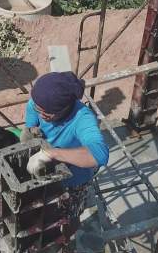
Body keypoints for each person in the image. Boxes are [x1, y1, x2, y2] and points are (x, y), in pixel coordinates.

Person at [24, 71, 109, 238]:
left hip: (74, 179)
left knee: (71, 214)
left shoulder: (82, 118)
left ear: (63, 110)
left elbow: (100, 154)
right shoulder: (36, 103)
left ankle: (65, 238)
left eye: (46, 114)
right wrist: (29, 132)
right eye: (37, 109)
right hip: (46, 171)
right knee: (44, 210)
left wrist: (51, 154)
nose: (40, 115)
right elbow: (31, 123)